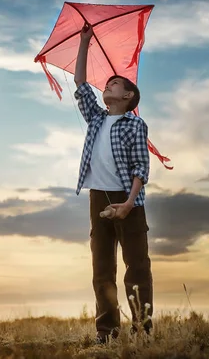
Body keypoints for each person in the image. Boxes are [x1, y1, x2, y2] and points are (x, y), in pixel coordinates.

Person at [73, 23, 153, 344]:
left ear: (128, 95)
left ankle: (142, 331)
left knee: (136, 268)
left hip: (128, 201)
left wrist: (129, 203)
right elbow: (80, 82)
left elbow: (141, 169)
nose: (107, 86)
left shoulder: (135, 125)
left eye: (115, 84)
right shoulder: (96, 117)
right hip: (98, 200)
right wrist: (84, 42)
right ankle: (106, 333)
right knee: (102, 270)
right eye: (106, 84)